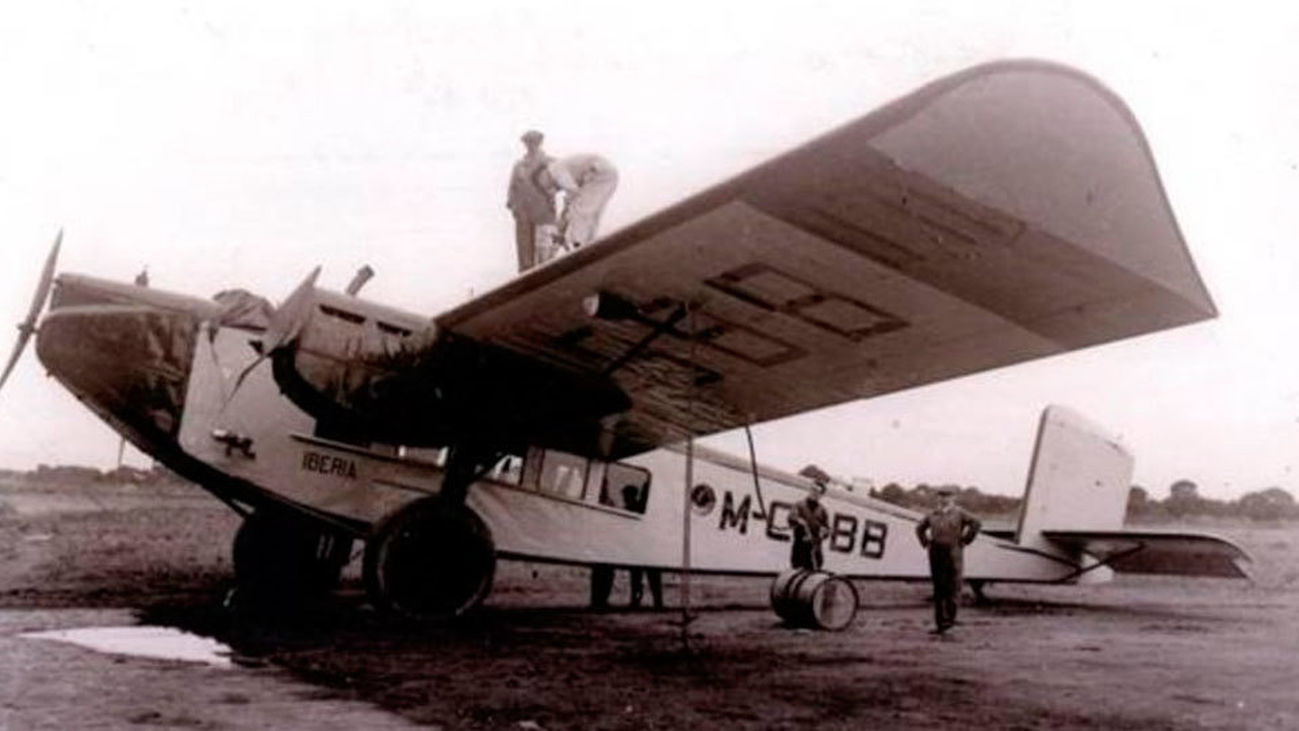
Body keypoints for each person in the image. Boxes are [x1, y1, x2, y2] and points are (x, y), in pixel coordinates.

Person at [915, 485, 982, 634]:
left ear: (953, 498)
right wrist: (926, 543)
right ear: (938, 498)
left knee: (953, 587)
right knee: (939, 589)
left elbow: (976, 523)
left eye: (947, 496)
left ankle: (950, 620)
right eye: (941, 496)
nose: (944, 499)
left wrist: (965, 540)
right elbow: (919, 528)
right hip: (936, 552)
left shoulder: (959, 513)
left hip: (953, 552)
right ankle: (940, 624)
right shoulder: (933, 514)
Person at [535, 154, 618, 253]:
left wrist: (564, 218)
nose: (546, 189)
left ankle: (578, 244)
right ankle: (588, 243)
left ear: (543, 174)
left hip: (597, 172)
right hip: (607, 173)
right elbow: (572, 194)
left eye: (542, 184)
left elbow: (573, 192)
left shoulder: (555, 170)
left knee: (580, 210)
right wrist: (565, 215)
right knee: (593, 213)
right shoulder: (561, 169)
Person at [505, 129, 557, 272]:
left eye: (534, 142)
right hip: (523, 213)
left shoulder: (550, 162)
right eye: (528, 142)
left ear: (540, 143)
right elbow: (512, 188)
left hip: (544, 213)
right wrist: (514, 206)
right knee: (525, 253)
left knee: (545, 253)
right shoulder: (519, 165)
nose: (531, 145)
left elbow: (563, 182)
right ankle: (525, 279)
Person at [623, 484, 663, 610]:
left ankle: (637, 600)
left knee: (637, 578)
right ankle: (657, 601)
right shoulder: (645, 506)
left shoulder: (631, 508)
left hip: (638, 548)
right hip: (649, 547)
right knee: (653, 578)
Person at [788, 478, 830, 571]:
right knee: (797, 577)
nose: (814, 493)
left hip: (815, 551)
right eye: (812, 489)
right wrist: (798, 520)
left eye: (817, 491)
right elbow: (791, 518)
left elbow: (827, 530)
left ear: (821, 495)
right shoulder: (799, 505)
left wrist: (824, 532)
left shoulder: (823, 510)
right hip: (800, 549)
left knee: (813, 578)